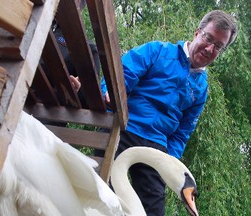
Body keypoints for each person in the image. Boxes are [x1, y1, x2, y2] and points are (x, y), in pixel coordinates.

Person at [100, 10, 238, 215]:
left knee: (154, 209)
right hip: (126, 126)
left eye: (218, 46)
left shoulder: (201, 90)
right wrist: (108, 93)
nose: (210, 48)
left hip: (156, 145)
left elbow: (182, 132)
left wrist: (168, 162)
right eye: (208, 38)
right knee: (102, 192)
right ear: (197, 32)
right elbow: (124, 73)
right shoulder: (158, 51)